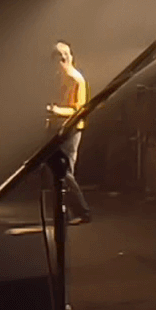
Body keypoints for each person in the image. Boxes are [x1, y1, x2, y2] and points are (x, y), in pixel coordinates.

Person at [45, 41, 91, 225]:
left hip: (72, 130)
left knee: (65, 172)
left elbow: (80, 110)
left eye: (64, 56)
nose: (62, 60)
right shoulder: (61, 78)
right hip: (61, 129)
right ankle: (66, 212)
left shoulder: (76, 79)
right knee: (59, 173)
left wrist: (57, 112)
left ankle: (83, 211)